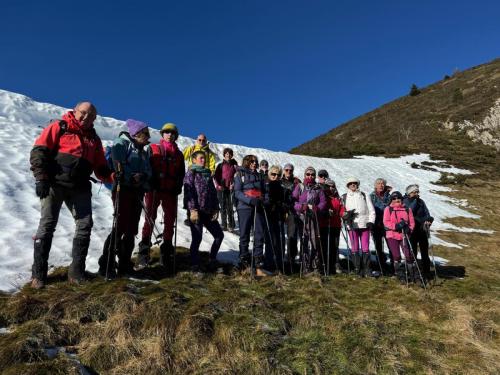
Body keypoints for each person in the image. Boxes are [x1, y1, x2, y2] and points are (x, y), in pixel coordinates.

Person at [29, 102, 112, 288]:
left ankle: (76, 273)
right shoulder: (60, 127)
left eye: (91, 116)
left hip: (80, 186)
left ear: (95, 119)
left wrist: (113, 176)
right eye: (83, 113)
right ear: (75, 111)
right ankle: (39, 275)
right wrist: (41, 178)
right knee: (47, 224)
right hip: (54, 183)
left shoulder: (94, 139)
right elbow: (39, 151)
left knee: (85, 224)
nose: (86, 118)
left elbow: (100, 167)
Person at [98, 119, 152, 278]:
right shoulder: (121, 144)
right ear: (137, 134)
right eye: (146, 134)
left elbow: (148, 169)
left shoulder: (142, 150)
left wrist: (143, 177)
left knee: (131, 228)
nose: (148, 137)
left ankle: (124, 264)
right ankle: (106, 263)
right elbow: (118, 166)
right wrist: (131, 176)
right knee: (120, 225)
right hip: (123, 189)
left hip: (136, 191)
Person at [137, 123, 185, 272]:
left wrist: (178, 185)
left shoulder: (179, 154)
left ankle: (166, 255)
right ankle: (143, 254)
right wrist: (149, 181)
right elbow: (146, 166)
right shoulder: (153, 149)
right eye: (167, 132)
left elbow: (181, 173)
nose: (169, 135)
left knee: (170, 221)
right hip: (154, 189)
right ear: (162, 134)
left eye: (172, 133)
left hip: (170, 191)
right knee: (149, 220)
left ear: (175, 136)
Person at [183, 151, 224, 272]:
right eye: (201, 158)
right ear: (194, 160)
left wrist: (216, 208)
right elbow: (189, 192)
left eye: (204, 158)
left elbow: (213, 193)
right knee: (197, 238)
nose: (203, 160)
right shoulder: (191, 173)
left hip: (208, 211)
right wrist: (192, 210)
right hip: (196, 211)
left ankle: (212, 259)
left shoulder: (207, 175)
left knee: (219, 235)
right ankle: (194, 264)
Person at [234, 154, 268, 275]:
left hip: (258, 207)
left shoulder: (260, 176)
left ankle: (258, 266)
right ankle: (244, 263)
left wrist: (264, 200)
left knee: (259, 234)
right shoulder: (240, 174)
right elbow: (237, 192)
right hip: (244, 208)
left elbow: (265, 192)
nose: (254, 163)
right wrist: (249, 200)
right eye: (252, 161)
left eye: (256, 161)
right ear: (246, 162)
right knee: (244, 234)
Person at [293, 167, 327, 274]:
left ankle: (315, 265)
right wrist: (301, 207)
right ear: (305, 175)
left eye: (312, 174)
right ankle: (305, 266)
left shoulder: (318, 188)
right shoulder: (300, 186)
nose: (310, 176)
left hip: (313, 217)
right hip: (302, 217)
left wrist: (318, 208)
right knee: (304, 240)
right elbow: (293, 201)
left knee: (314, 241)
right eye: (308, 174)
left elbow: (323, 202)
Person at [342, 177, 376, 277]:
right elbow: (342, 211)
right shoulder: (344, 197)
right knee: (355, 248)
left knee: (365, 248)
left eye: (355, 183)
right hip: (352, 225)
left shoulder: (364, 195)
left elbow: (371, 210)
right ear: (348, 185)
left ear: (358, 184)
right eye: (351, 183)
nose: (353, 184)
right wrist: (345, 216)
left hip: (365, 225)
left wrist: (371, 221)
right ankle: (357, 269)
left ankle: (367, 269)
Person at [182, 134, 216, 226]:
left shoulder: (209, 153)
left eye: (203, 140)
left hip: (204, 176)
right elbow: (182, 157)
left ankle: (204, 215)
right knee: (191, 193)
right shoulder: (192, 149)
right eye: (200, 140)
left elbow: (212, 165)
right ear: (197, 140)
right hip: (192, 174)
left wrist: (211, 172)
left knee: (203, 195)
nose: (201, 142)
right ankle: (190, 215)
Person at [383, 191, 416, 284]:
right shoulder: (388, 209)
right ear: (391, 200)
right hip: (392, 235)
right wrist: (396, 226)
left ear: (401, 199)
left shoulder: (407, 209)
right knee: (396, 255)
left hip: (404, 235)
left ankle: (412, 275)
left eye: (398, 198)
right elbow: (386, 222)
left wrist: (409, 229)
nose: (397, 200)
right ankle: (400, 275)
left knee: (408, 255)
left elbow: (412, 222)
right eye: (394, 198)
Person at [403, 184, 434, 278]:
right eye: (414, 192)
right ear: (409, 193)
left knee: (424, 252)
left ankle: (426, 271)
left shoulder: (421, 202)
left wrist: (429, 219)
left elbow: (426, 213)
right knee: (413, 252)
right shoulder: (405, 201)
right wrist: (415, 201)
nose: (416, 193)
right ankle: (415, 271)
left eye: (417, 192)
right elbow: (410, 211)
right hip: (412, 231)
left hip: (422, 230)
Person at [318, 179, 345, 275]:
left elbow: (341, 209)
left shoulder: (337, 198)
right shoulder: (323, 196)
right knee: (325, 246)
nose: (331, 188)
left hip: (335, 225)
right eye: (328, 186)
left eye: (333, 186)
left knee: (334, 246)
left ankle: (333, 265)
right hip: (325, 224)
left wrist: (344, 214)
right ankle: (323, 265)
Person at [264, 165, 285, 272]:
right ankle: (268, 264)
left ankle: (279, 265)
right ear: (269, 174)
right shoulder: (265, 186)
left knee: (279, 241)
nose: (276, 176)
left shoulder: (281, 188)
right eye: (273, 174)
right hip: (268, 215)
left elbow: (284, 201)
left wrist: (281, 205)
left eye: (278, 175)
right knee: (269, 240)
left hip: (278, 216)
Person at [281, 163, 302, 271]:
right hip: (280, 210)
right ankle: (279, 256)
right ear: (284, 170)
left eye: (290, 170)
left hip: (292, 211)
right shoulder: (279, 180)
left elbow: (301, 196)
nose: (288, 171)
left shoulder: (296, 182)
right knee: (279, 234)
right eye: (287, 170)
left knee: (292, 235)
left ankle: (291, 258)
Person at [369, 178, 392, 274]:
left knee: (391, 246)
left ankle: (393, 267)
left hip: (388, 225)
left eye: (383, 183)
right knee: (378, 246)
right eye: (379, 183)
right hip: (376, 225)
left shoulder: (390, 197)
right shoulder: (371, 196)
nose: (381, 185)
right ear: (375, 185)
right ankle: (381, 266)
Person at [214, 148, 238, 232]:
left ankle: (231, 225)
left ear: (232, 155)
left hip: (230, 188)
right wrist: (218, 185)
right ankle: (224, 224)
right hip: (221, 188)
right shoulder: (220, 165)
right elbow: (216, 176)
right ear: (224, 155)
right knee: (223, 206)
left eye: (230, 154)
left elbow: (238, 176)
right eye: (227, 154)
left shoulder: (234, 166)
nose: (228, 155)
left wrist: (234, 184)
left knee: (230, 206)